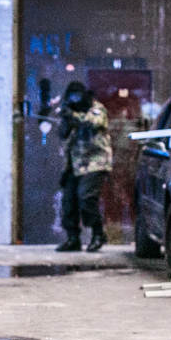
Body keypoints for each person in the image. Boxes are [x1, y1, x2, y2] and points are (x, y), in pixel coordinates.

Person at [55, 81, 112, 252]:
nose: (75, 99)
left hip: (95, 162)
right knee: (68, 202)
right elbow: (63, 134)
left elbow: (94, 123)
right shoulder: (70, 111)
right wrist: (66, 118)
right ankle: (73, 238)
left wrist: (73, 116)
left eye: (77, 96)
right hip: (74, 164)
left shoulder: (96, 108)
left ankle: (98, 233)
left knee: (86, 198)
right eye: (72, 96)